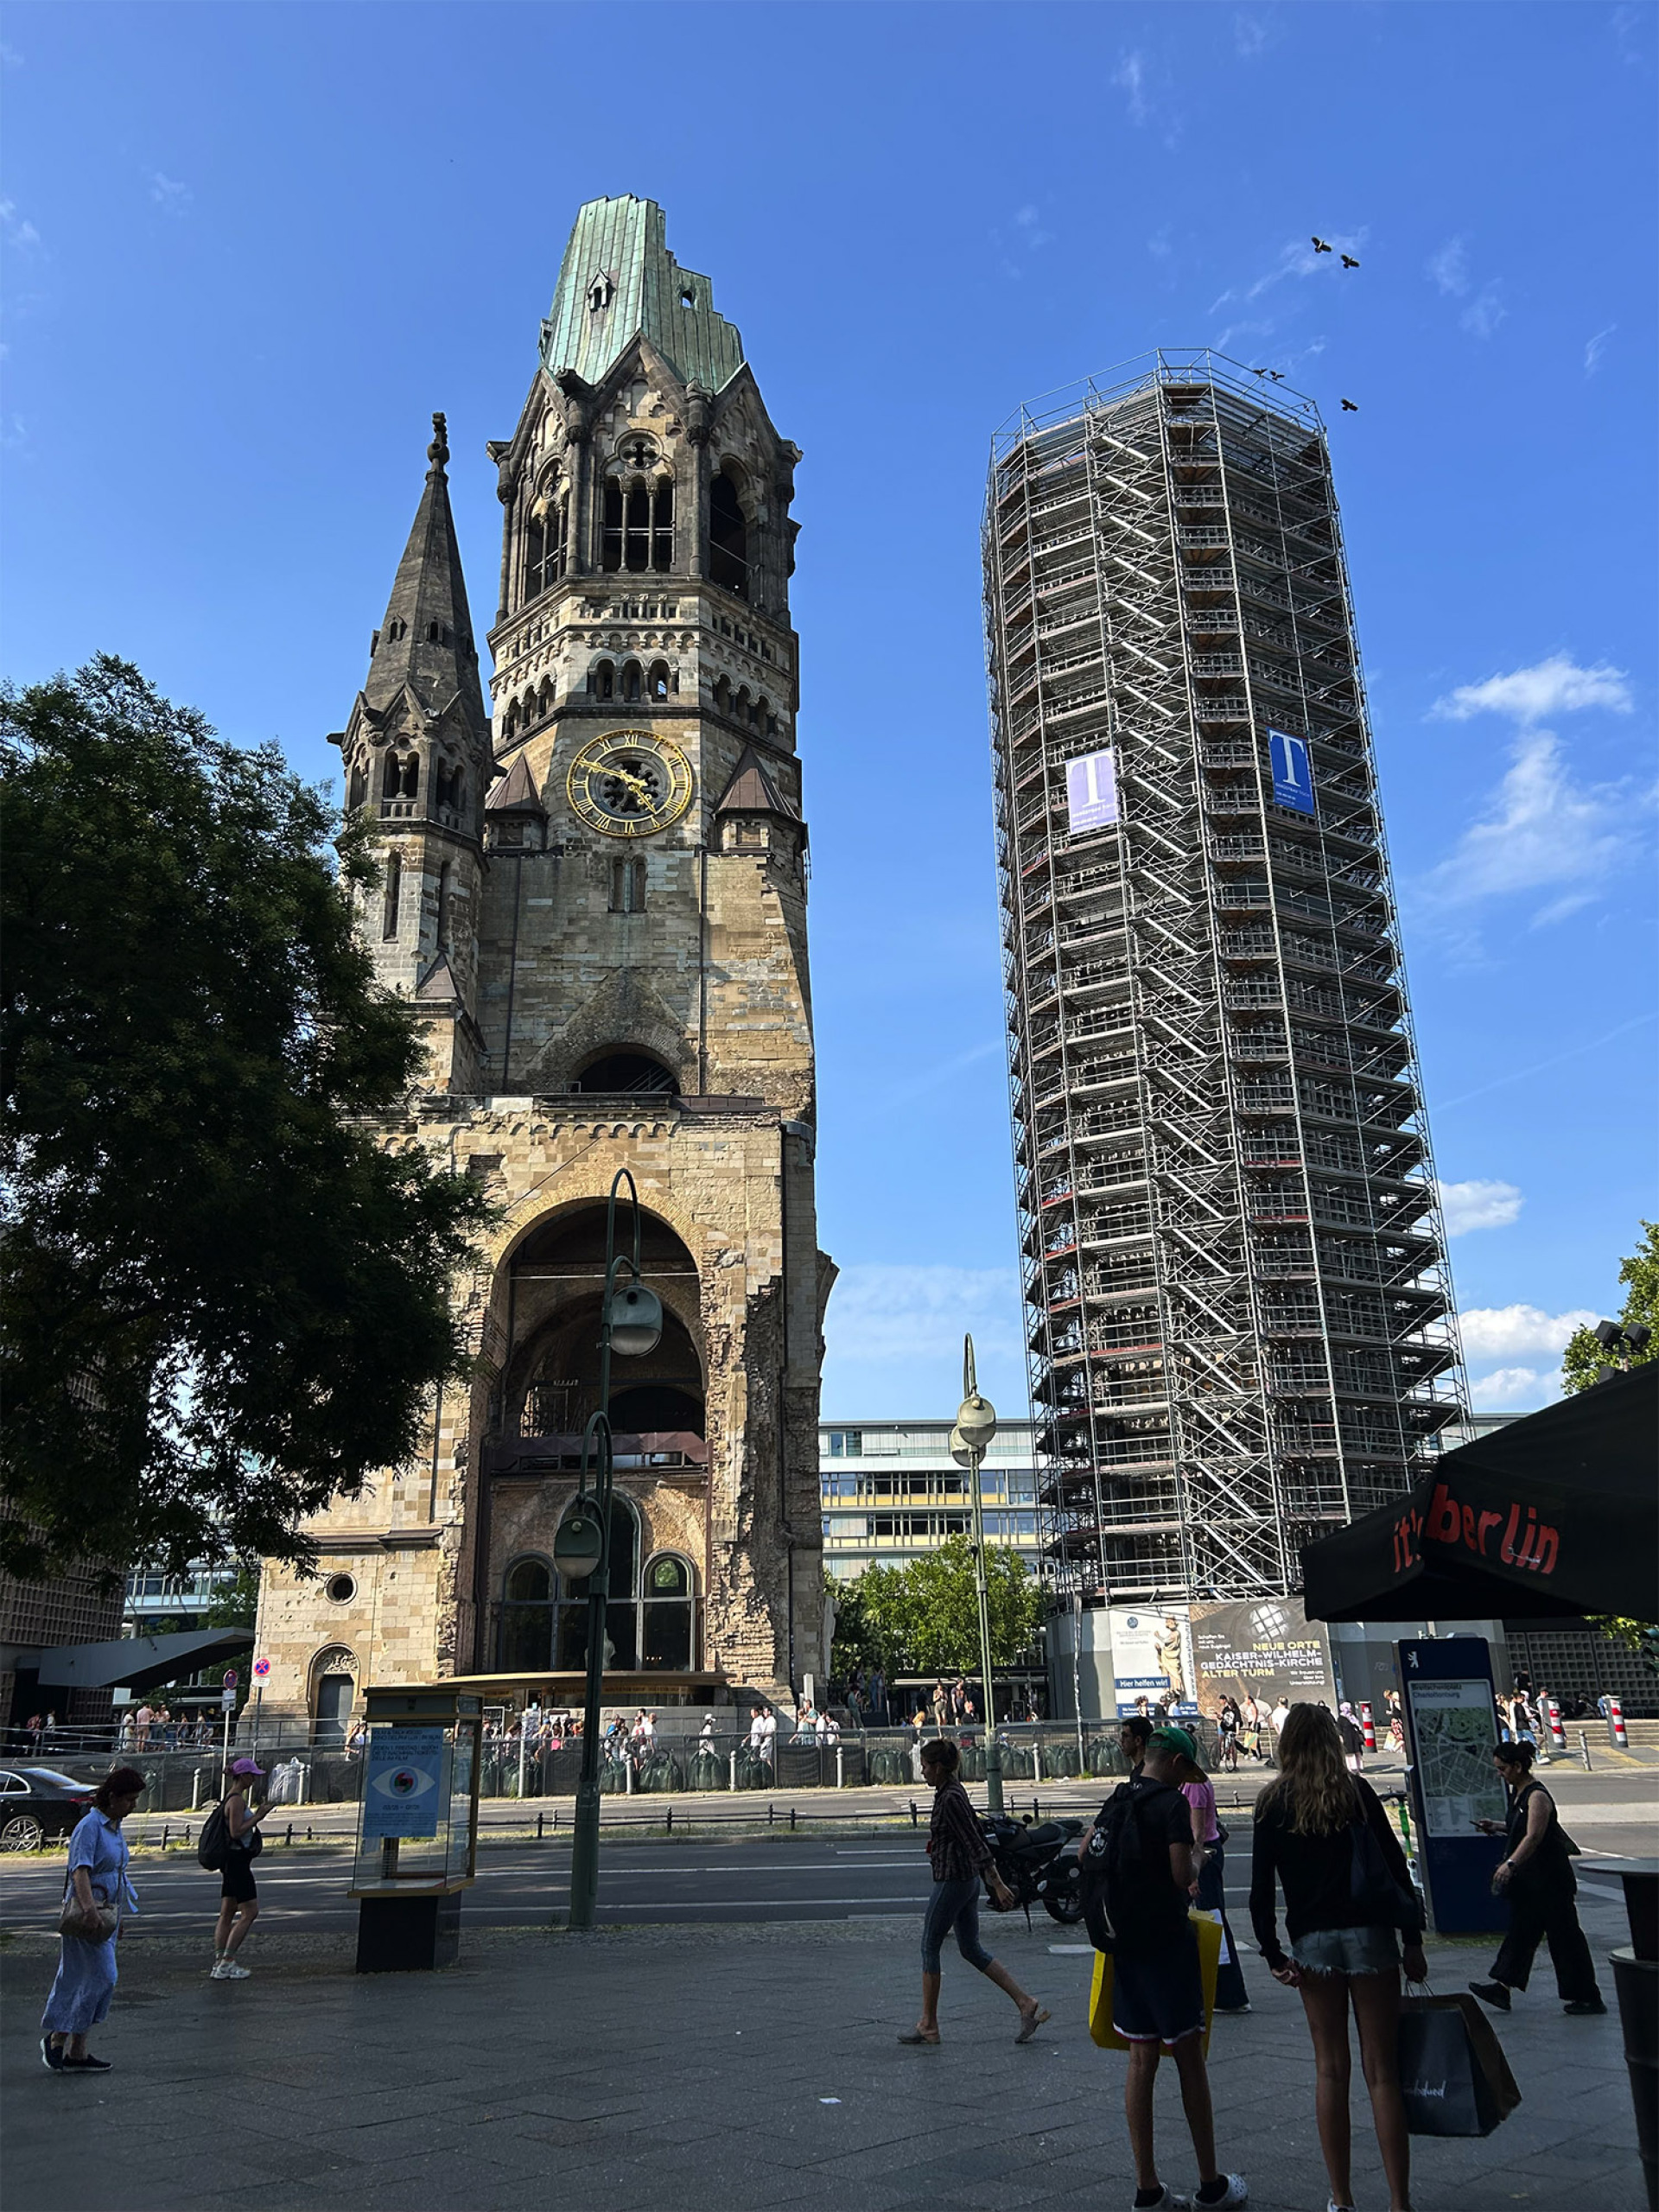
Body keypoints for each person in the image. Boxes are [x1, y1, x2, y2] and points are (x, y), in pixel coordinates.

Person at [1250, 1702, 1425, 2212]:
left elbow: (1262, 1892)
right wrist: (1411, 1940)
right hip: (1371, 1935)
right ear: (1331, 1740)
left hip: (1313, 1944)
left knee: (1330, 2070)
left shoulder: (1272, 1802)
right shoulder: (1356, 1793)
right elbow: (1394, 1868)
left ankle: (1342, 2198)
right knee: (1383, 2072)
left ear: (1286, 1745)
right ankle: (1399, 2201)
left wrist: (1272, 1953)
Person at [1087, 1727, 1247, 2211]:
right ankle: (1210, 2185)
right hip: (1166, 1947)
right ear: (1176, 1764)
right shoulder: (1171, 1805)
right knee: (1189, 2057)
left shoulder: (1119, 1798)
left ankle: (1148, 2188)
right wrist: (1198, 1858)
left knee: (1141, 2060)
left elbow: (1083, 1853)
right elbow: (1182, 1874)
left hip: (1124, 1947)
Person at [899, 1738, 1048, 2048]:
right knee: (970, 1948)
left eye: (926, 1766)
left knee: (929, 1944)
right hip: (966, 1880)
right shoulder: (952, 1792)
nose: (922, 1771)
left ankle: (929, 2024)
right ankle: (1025, 2003)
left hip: (953, 1880)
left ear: (939, 1768)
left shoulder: (950, 1798)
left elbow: (974, 1841)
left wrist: (997, 1882)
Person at [1470, 1738, 1605, 2016]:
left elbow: (1533, 1836)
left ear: (1518, 1766)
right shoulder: (1518, 1793)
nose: (1500, 1774)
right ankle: (1502, 1987)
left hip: (1551, 1880)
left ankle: (1587, 1995)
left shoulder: (1537, 1796)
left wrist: (1510, 1864)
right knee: (1521, 1933)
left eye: (1503, 1768)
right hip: (1532, 1883)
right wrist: (1495, 1826)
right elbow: (1519, 1827)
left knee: (1564, 1937)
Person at [41, 1766, 146, 2073]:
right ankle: (58, 2037)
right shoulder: (90, 1826)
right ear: (112, 1798)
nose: (133, 1806)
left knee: (86, 1979)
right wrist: (88, 1910)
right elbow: (80, 1870)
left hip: (105, 1913)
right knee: (103, 1977)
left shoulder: (113, 1826)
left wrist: (118, 1916)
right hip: (90, 1915)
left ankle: (76, 2050)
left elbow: (117, 1873)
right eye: (129, 1800)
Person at [1173, 1737, 1249, 2016]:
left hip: (1204, 1857)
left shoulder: (1193, 1785)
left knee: (1212, 1922)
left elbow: (1197, 1833)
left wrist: (1193, 1872)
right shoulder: (1197, 1780)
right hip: (1208, 1854)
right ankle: (1220, 1989)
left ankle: (1227, 1993)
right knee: (1213, 1920)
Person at [211, 1758, 277, 1980]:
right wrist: (258, 1817)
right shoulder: (237, 1800)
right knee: (250, 1912)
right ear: (244, 1776)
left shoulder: (230, 1798)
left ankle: (219, 1961)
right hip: (238, 1861)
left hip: (231, 1861)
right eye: (252, 1775)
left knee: (227, 1912)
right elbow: (236, 1831)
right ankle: (228, 1962)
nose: (255, 1779)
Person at [1119, 1713, 1153, 1777]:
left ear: (1138, 1740)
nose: (1121, 1740)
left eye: (1125, 1736)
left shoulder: (1149, 1773)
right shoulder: (1135, 1773)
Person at [1338, 1703, 1365, 1773]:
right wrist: (1340, 1737)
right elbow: (1339, 1729)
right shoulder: (1341, 1718)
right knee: (1349, 1753)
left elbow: (1358, 1726)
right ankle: (1351, 1767)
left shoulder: (1352, 1717)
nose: (1350, 1710)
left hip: (1354, 1737)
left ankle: (1358, 1766)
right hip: (1347, 1737)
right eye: (1348, 1708)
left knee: (1357, 1751)